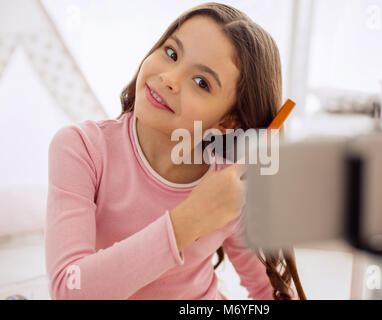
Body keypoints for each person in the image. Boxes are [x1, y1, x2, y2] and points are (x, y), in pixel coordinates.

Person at [45, 2, 306, 300]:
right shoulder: (81, 148)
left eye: (201, 82)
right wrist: (190, 219)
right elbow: (69, 289)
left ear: (228, 121)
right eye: (171, 53)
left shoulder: (231, 187)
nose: (169, 78)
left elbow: (267, 293)